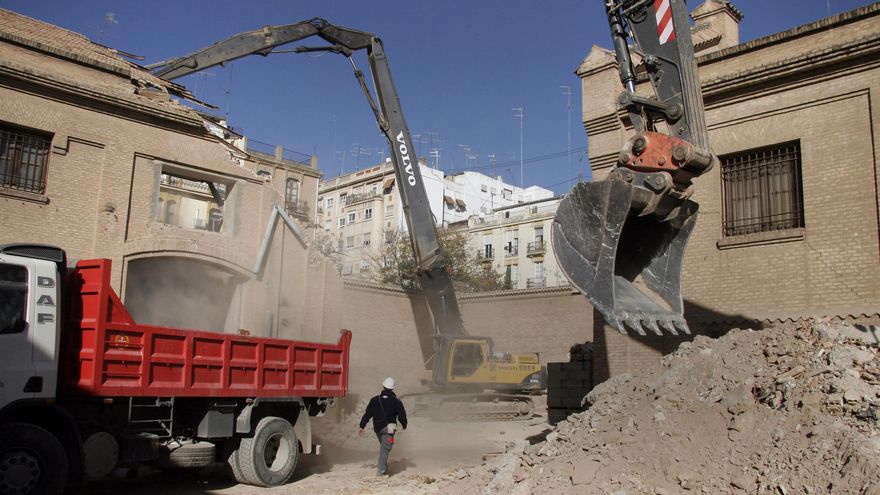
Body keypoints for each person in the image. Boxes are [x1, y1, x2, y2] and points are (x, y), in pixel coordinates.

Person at [358, 377, 408, 476]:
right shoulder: (396, 401)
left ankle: (383, 467)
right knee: (385, 449)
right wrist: (404, 424)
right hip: (388, 430)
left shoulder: (374, 400)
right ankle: (381, 472)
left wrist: (362, 426)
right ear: (393, 388)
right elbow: (402, 415)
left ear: (383, 386)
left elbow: (367, 414)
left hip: (378, 429)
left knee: (384, 448)